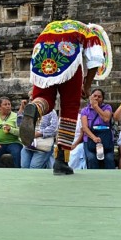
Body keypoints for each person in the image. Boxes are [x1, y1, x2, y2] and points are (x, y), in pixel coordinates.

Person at [20, 20, 109, 176]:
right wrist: (86, 86)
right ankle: (61, 160)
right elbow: (95, 60)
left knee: (43, 98)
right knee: (69, 108)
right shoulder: (89, 33)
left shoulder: (52, 26)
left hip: (41, 54)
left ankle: (35, 108)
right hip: (68, 55)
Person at [79, 88, 115, 169]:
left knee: (109, 159)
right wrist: (94, 137)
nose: (96, 98)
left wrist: (96, 107)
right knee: (91, 159)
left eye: (99, 97)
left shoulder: (107, 107)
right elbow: (85, 127)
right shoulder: (85, 110)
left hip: (106, 138)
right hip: (90, 138)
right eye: (94, 96)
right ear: (91, 97)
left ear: (102, 99)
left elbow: (106, 118)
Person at [0, 97, 23, 167]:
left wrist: (11, 129)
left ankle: (19, 174)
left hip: (13, 142)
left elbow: (21, 132)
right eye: (5, 104)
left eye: (9, 104)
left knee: (18, 154)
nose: (8, 106)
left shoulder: (16, 116)